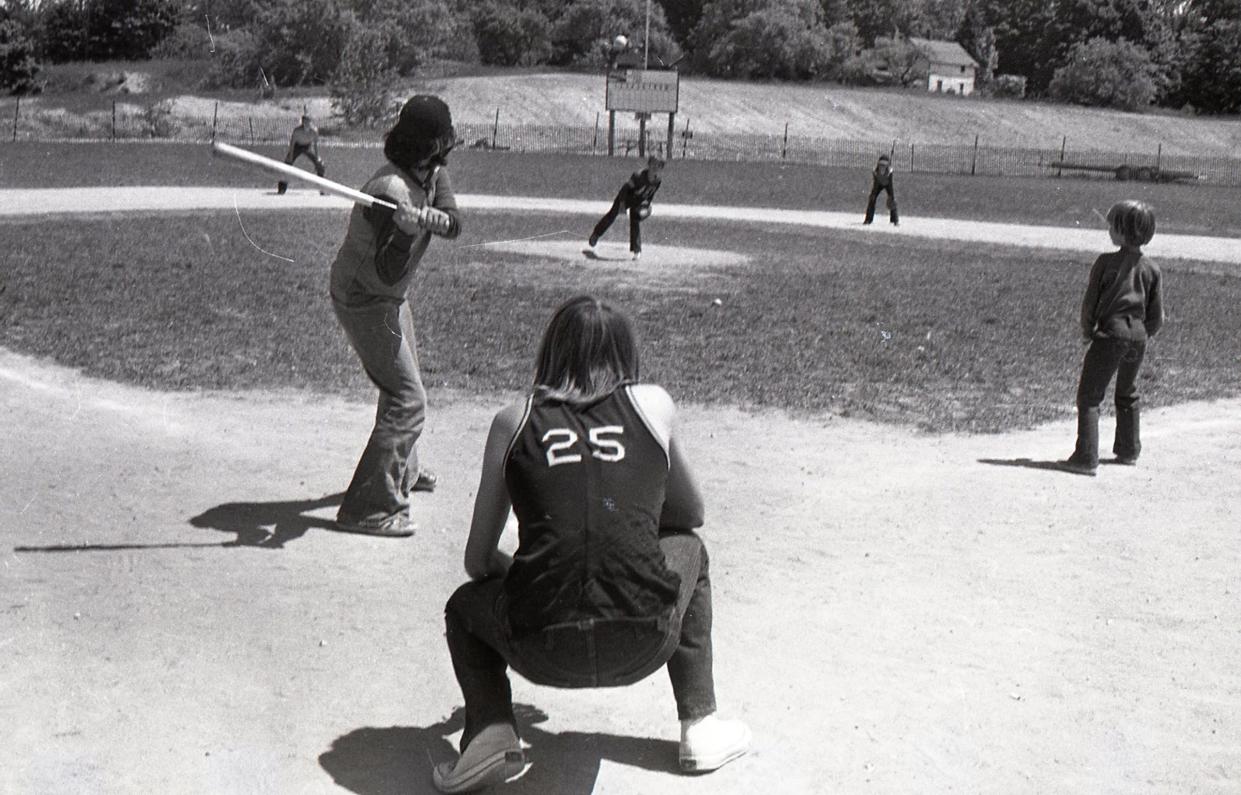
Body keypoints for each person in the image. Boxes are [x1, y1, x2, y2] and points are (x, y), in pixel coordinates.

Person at [433, 296, 750, 793]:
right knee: (691, 550)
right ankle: (700, 724)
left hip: (542, 648)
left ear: (551, 352)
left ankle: (491, 730)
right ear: (626, 355)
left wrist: (533, 569)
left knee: (463, 608)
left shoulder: (512, 420)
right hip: (645, 637)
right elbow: (692, 517)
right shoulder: (652, 405)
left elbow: (476, 562)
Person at [328, 95, 461, 537]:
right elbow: (387, 266)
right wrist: (405, 232)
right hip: (364, 297)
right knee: (408, 397)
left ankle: (401, 471)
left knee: (404, 383)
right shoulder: (389, 192)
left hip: (389, 297)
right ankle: (369, 508)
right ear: (437, 142)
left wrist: (440, 220)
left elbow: (456, 221)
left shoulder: (430, 172)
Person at [1063, 200, 1164, 476]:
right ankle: (1128, 450)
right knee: (1127, 392)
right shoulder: (1152, 269)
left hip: (1110, 335)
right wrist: (1144, 334)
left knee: (1090, 396)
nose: (1109, 230)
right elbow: (1157, 315)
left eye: (1112, 226)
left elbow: (1090, 303)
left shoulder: (1105, 262)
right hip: (1138, 337)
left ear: (1121, 231)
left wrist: (1087, 330)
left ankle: (1086, 457)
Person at [588, 156, 665, 260]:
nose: (656, 167)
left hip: (638, 202)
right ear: (649, 164)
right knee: (612, 215)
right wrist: (622, 205)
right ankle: (596, 234)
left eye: (659, 165)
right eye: (654, 164)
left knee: (635, 220)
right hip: (626, 198)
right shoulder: (639, 176)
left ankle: (637, 250)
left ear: (661, 168)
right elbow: (625, 189)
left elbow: (650, 196)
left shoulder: (658, 181)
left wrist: (646, 206)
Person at [277, 114, 326, 195]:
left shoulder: (314, 131)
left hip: (308, 146)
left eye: (308, 122)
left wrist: (317, 157)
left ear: (311, 122)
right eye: (304, 122)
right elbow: (292, 144)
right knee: (287, 165)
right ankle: (282, 189)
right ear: (302, 122)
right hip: (297, 146)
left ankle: (322, 189)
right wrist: (290, 156)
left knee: (320, 166)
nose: (306, 124)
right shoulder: (297, 131)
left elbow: (315, 145)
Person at [863, 153, 898, 226]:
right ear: (878, 164)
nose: (882, 167)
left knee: (892, 200)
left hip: (887, 184)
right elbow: (875, 184)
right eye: (881, 165)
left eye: (884, 165)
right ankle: (868, 219)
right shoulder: (875, 171)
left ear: (887, 165)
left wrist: (891, 196)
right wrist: (873, 194)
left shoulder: (890, 172)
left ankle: (894, 220)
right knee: (872, 199)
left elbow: (890, 185)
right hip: (878, 184)